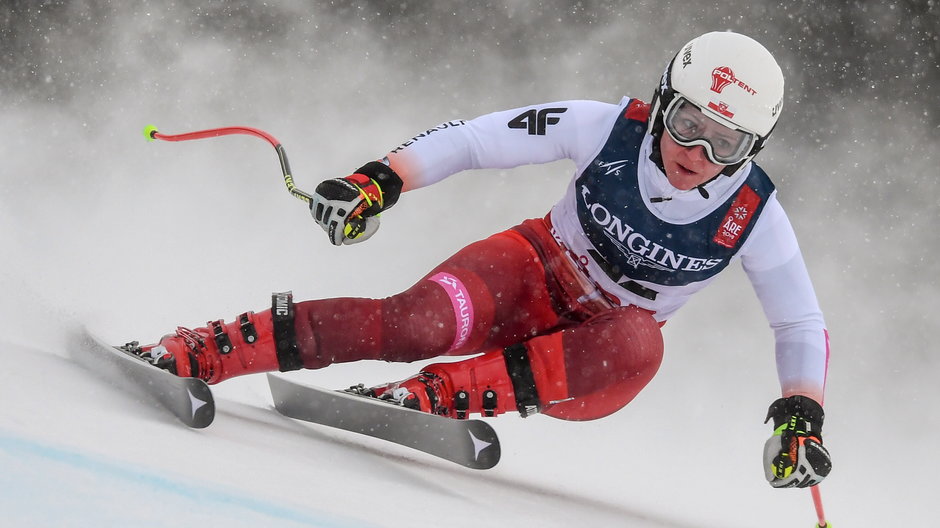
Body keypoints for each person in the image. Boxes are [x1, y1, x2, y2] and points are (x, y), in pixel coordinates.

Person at [132, 31, 831, 488]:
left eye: (726, 145)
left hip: (593, 357)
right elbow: (474, 140)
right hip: (530, 270)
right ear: (661, 104)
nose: (696, 155)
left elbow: (799, 322)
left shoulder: (756, 216)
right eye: (687, 125)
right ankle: (204, 350)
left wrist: (801, 415)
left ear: (753, 150)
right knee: (415, 323)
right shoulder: (605, 126)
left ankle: (435, 396)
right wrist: (381, 180)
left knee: (639, 342)